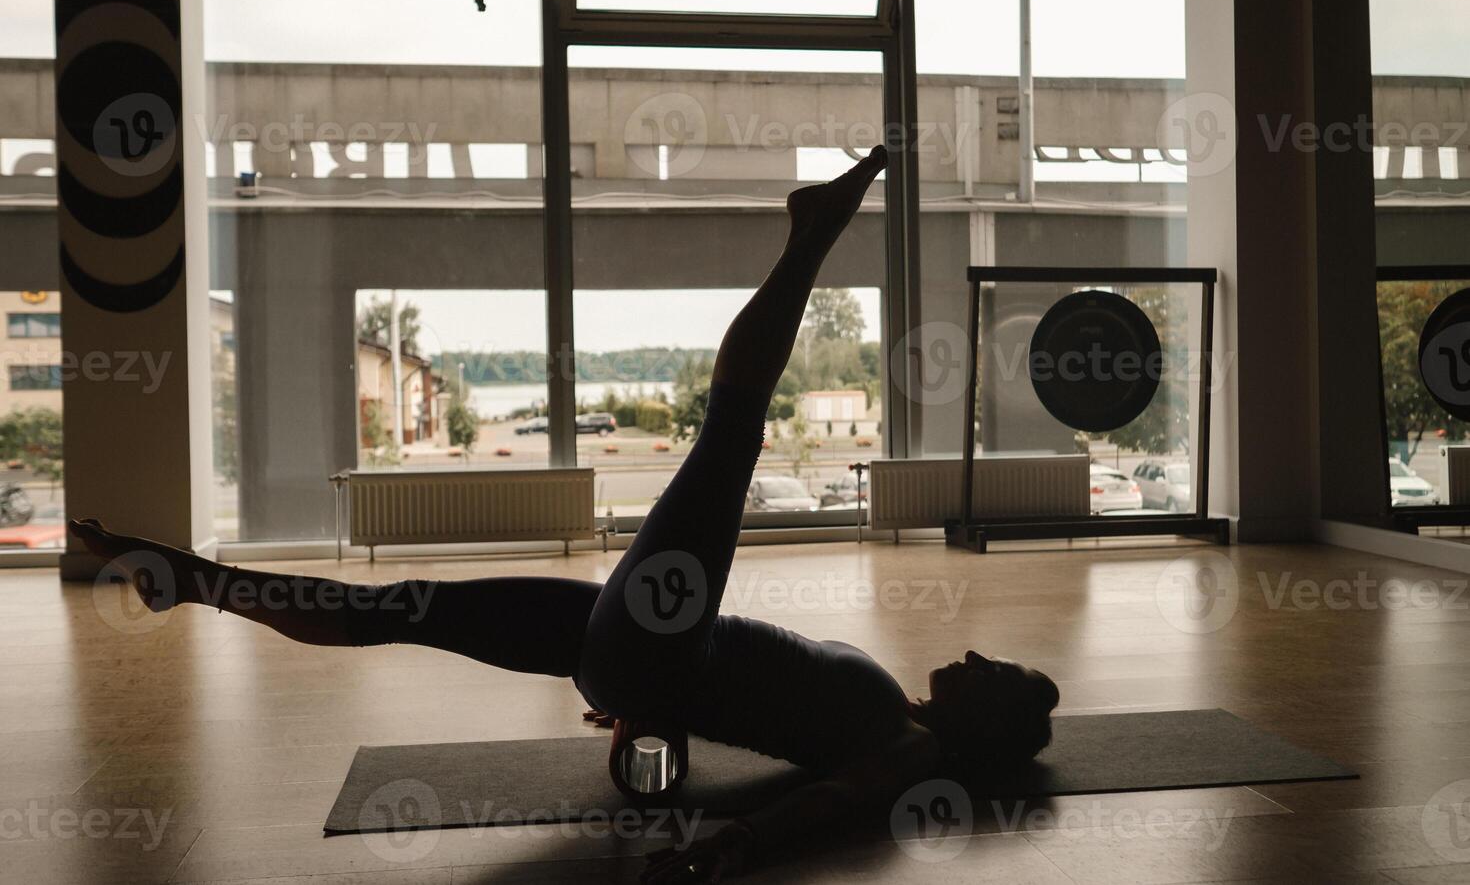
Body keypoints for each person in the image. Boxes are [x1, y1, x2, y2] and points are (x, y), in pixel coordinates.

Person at [72, 145, 1059, 883]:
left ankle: (810, 235)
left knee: (731, 436)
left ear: (987, 723)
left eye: (993, 672)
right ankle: (179, 576)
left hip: (658, 645)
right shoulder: (902, 713)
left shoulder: (913, 746)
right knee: (400, 604)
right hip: (639, 652)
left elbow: (829, 801)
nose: (974, 656)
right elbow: (764, 721)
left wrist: (736, 842)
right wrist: (650, 712)